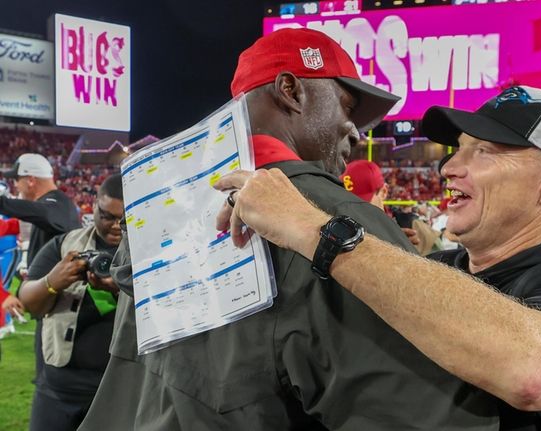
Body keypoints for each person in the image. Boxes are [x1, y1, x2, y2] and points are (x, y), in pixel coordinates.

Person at [81, 28, 500, 430]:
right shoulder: (337, 219)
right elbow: (420, 414)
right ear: (290, 90)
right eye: (346, 106)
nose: (355, 130)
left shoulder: (158, 205)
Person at [216, 85, 541, 429]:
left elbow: (538, 373)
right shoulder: (432, 269)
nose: (449, 167)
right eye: (459, 148)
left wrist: (314, 229)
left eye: (484, 151)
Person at [17, 174, 123, 431]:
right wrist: (53, 281)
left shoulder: (150, 253)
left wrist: (122, 291)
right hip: (58, 390)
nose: (116, 226)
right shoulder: (65, 245)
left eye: (125, 220)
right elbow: (28, 301)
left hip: (119, 391)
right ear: (94, 206)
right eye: (107, 216)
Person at [0, 153, 80, 386]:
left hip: (60, 316)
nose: (16, 186)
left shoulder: (57, 204)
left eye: (18, 180)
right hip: (49, 308)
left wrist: (4, 203)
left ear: (31, 180)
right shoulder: (51, 207)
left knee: (51, 388)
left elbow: (49, 215)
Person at [341, 159, 439, 254]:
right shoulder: (341, 231)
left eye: (362, 202)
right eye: (349, 204)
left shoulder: (412, 227)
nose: (356, 210)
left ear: (384, 192)